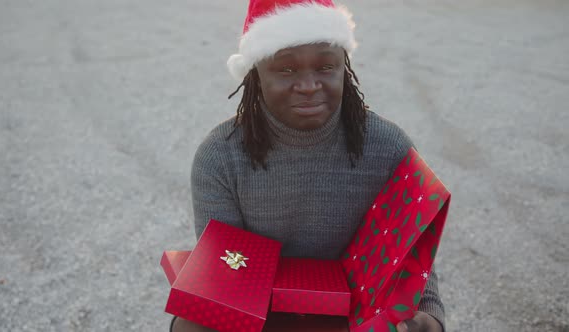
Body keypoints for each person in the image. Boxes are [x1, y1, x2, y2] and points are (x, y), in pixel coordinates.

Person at [173, 0, 446, 331]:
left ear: (344, 67)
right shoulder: (220, 155)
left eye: (325, 67)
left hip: (355, 313)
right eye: (286, 69)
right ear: (256, 73)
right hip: (257, 307)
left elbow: (411, 254)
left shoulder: (389, 148)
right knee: (189, 325)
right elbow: (226, 269)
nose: (308, 85)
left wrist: (429, 314)